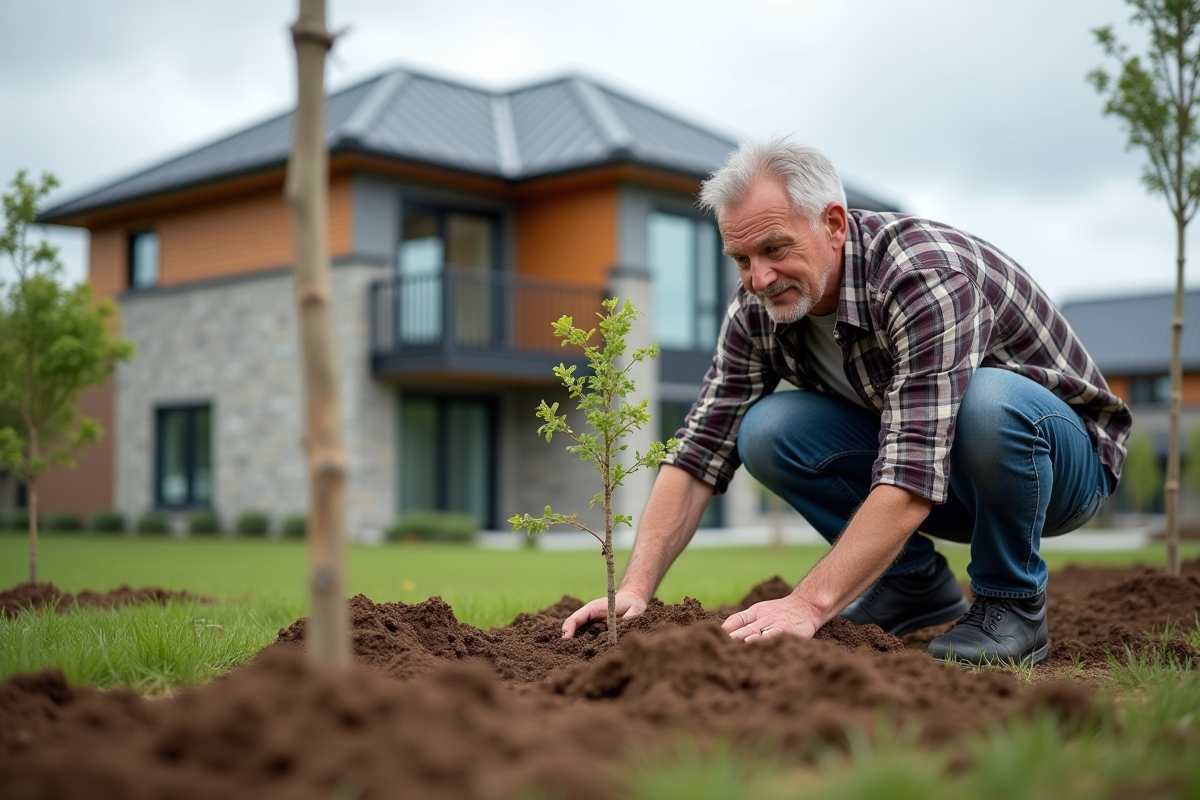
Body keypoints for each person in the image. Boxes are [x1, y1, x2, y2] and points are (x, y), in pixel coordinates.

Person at [561, 138, 1131, 666]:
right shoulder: (756, 312)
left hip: (1057, 469)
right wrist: (632, 591)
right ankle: (909, 584)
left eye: (774, 248)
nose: (758, 278)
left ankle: (1012, 604)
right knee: (765, 429)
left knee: (985, 400)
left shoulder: (923, 276)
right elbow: (698, 452)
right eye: (740, 258)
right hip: (945, 478)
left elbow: (911, 466)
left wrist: (807, 605)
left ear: (833, 223)